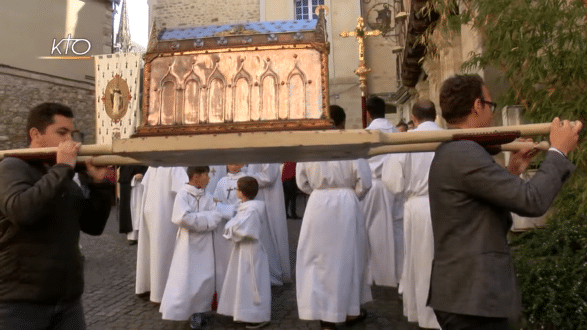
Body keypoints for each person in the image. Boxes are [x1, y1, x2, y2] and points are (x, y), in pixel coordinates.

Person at [427, 74, 582, 329]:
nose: (493, 114)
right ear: (477, 106)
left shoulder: (459, 150)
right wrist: (559, 151)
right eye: (491, 105)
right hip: (473, 296)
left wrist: (513, 171)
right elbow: (532, 201)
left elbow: (476, 208)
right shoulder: (464, 152)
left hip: (468, 296)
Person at [0, 102, 113, 329]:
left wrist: (100, 184)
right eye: (62, 133)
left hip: (67, 297)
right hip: (20, 301)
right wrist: (62, 168)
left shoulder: (62, 175)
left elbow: (92, 225)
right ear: (35, 134)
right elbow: (23, 212)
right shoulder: (12, 167)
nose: (70, 141)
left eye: (71, 134)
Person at [296, 105, 372, 330]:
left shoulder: (310, 146)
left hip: (318, 204)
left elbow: (302, 181)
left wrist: (320, 192)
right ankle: (347, 311)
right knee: (347, 259)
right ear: (343, 124)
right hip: (345, 204)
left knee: (318, 260)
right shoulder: (350, 144)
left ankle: (325, 316)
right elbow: (364, 182)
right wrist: (348, 193)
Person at [383, 99, 441, 329]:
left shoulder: (407, 140)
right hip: (447, 205)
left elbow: (393, 182)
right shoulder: (448, 138)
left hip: (417, 207)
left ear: (414, 119)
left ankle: (425, 314)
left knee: (421, 261)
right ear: (435, 116)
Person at [160, 166, 232, 327]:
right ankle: (185, 310)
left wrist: (200, 219)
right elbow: (182, 218)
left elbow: (217, 215)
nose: (209, 178)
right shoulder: (183, 194)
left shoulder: (208, 195)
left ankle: (200, 311)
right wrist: (206, 219)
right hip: (187, 245)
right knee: (186, 278)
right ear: (196, 177)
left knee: (205, 278)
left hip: (206, 245)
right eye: (206, 175)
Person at [217, 176, 271, 329]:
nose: (236, 191)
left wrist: (229, 228)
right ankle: (242, 312)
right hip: (243, 250)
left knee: (251, 281)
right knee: (241, 280)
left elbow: (243, 229)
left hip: (251, 251)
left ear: (241, 192)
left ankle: (257, 315)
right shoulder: (246, 207)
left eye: (237, 189)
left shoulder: (252, 210)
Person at [360, 96, 400, 288]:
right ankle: (392, 272)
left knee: (369, 231)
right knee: (393, 230)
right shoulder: (395, 131)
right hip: (392, 186)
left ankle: (372, 273)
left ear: (368, 113)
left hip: (371, 186)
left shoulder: (366, 133)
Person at [135, 165, 188, 303]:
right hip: (164, 214)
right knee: (162, 252)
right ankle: (161, 291)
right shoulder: (173, 167)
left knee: (154, 252)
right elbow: (184, 190)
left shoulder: (153, 167)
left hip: (152, 211)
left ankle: (151, 287)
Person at [247, 163, 292, 284]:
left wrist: (246, 178)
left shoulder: (268, 155)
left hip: (267, 198)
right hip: (255, 196)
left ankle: (272, 271)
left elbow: (268, 177)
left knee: (269, 235)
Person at [118, 165, 148, 244]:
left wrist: (143, 175)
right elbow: (124, 174)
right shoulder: (126, 163)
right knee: (132, 212)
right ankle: (132, 236)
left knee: (143, 211)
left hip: (143, 187)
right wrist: (133, 178)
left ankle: (143, 236)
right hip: (131, 189)